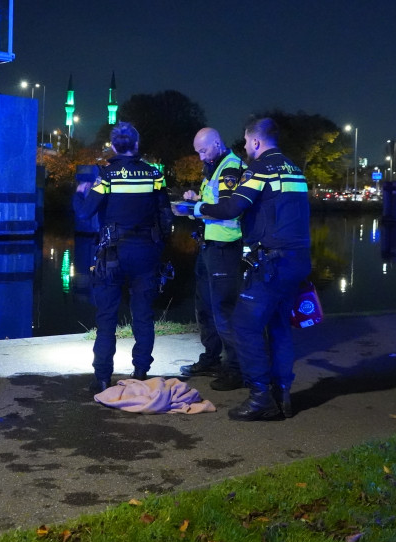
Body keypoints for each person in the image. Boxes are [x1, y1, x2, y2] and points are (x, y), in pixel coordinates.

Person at [188, 117, 311, 421]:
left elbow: (232, 208)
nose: (244, 147)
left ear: (256, 141)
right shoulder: (295, 170)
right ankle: (282, 395)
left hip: (273, 261)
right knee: (280, 327)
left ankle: (260, 398)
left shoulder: (261, 169)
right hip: (298, 259)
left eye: (246, 141)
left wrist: (198, 208)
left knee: (243, 325)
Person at [74, 121, 173, 395]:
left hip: (112, 254)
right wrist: (160, 245)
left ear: (114, 146)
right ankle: (141, 372)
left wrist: (79, 194)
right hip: (146, 253)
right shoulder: (155, 175)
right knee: (143, 315)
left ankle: (103, 377)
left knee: (106, 317)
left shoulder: (106, 177)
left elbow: (85, 213)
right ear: (137, 145)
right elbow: (165, 215)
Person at [174, 127, 245, 392]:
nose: (201, 156)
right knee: (204, 306)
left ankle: (236, 369)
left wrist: (197, 207)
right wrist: (197, 201)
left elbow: (229, 209)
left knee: (223, 310)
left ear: (216, 143)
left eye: (203, 150)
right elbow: (212, 203)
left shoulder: (230, 169)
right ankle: (211, 358)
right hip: (209, 247)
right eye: (198, 152)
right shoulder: (214, 167)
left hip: (225, 248)